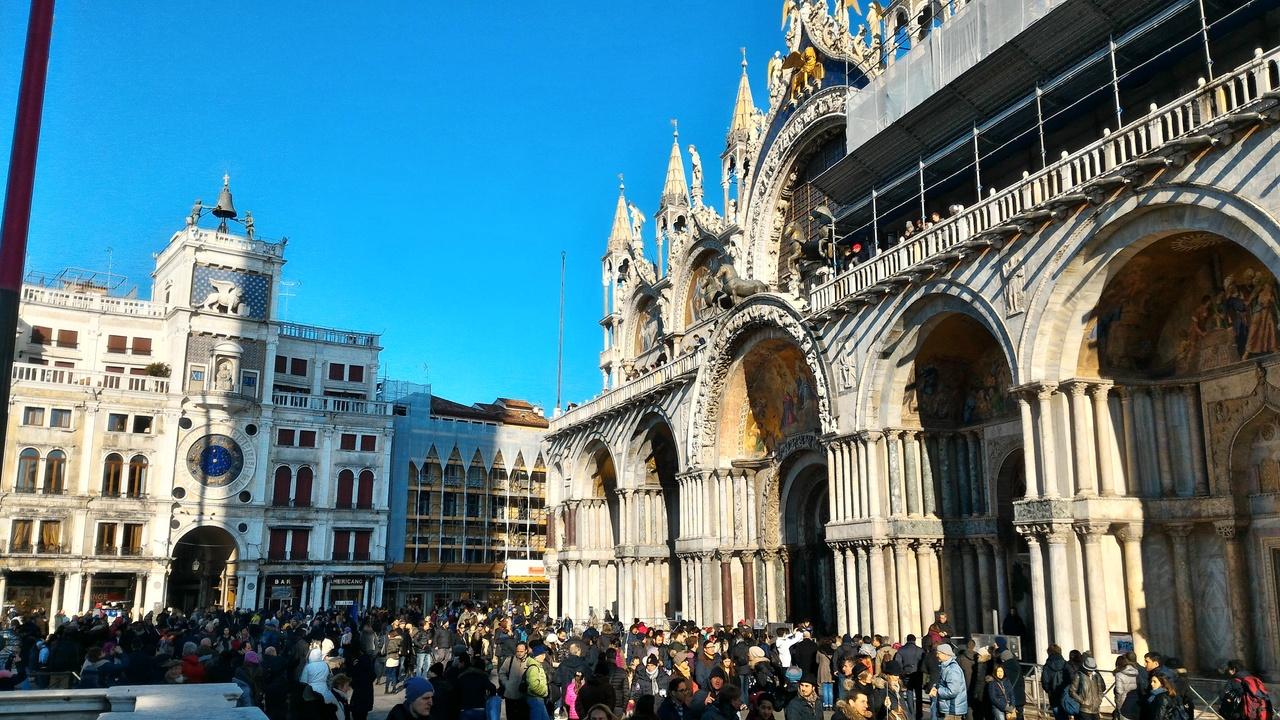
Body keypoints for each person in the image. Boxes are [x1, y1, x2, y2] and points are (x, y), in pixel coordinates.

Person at [929, 644, 968, 720]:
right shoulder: (946, 667)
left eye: (938, 653)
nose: (936, 655)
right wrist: (936, 687)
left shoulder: (952, 670)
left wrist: (937, 691)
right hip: (949, 708)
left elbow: (952, 691)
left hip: (952, 710)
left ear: (945, 654)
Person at [503, 643, 533, 720]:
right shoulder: (509, 660)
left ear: (526, 651)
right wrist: (506, 683)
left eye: (521, 651)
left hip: (523, 696)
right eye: (518, 651)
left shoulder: (530, 662)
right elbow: (502, 672)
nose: (519, 653)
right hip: (510, 695)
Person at [1042, 645, 1071, 720]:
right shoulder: (1065, 664)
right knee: (1066, 714)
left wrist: (1049, 690)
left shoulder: (1047, 666)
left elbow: (1045, 682)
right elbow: (1070, 678)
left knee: (1058, 715)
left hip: (1053, 695)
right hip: (1065, 694)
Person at [1114, 655, 1141, 720]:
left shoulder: (1119, 675)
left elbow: (1119, 691)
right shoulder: (1136, 672)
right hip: (1135, 700)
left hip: (1123, 701)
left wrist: (1118, 704)